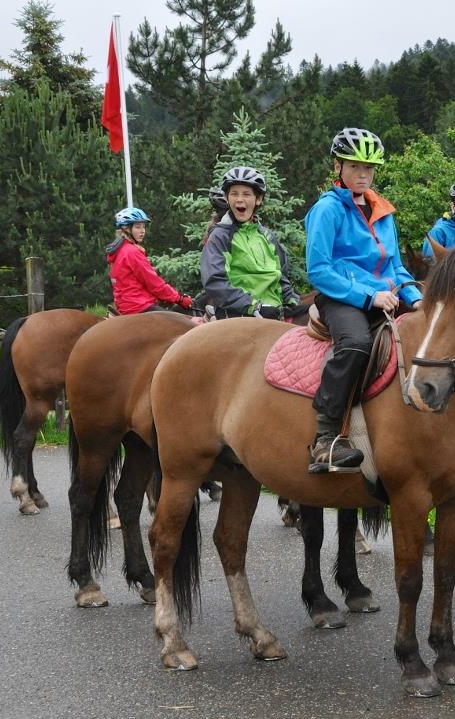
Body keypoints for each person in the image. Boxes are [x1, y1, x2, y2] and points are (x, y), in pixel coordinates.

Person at [304, 127, 421, 473]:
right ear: (337, 166)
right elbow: (319, 270)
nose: (362, 174)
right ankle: (325, 440)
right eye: (355, 166)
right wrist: (369, 296)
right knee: (355, 343)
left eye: (368, 168)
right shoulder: (326, 209)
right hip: (341, 297)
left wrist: (416, 300)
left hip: (388, 295)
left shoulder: (383, 211)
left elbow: (396, 266)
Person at [201, 166, 300, 319]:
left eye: (246, 194)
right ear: (227, 198)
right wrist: (253, 306)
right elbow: (215, 282)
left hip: (274, 313)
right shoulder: (220, 236)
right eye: (234, 194)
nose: (240, 199)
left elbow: (282, 278)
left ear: (258, 199)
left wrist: (292, 300)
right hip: (238, 315)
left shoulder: (268, 236)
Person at [106, 207, 193, 315]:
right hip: (139, 306)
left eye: (143, 227)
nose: (142, 231)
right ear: (126, 228)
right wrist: (179, 298)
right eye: (138, 227)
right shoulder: (132, 252)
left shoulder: (118, 251)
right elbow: (153, 283)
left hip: (125, 305)